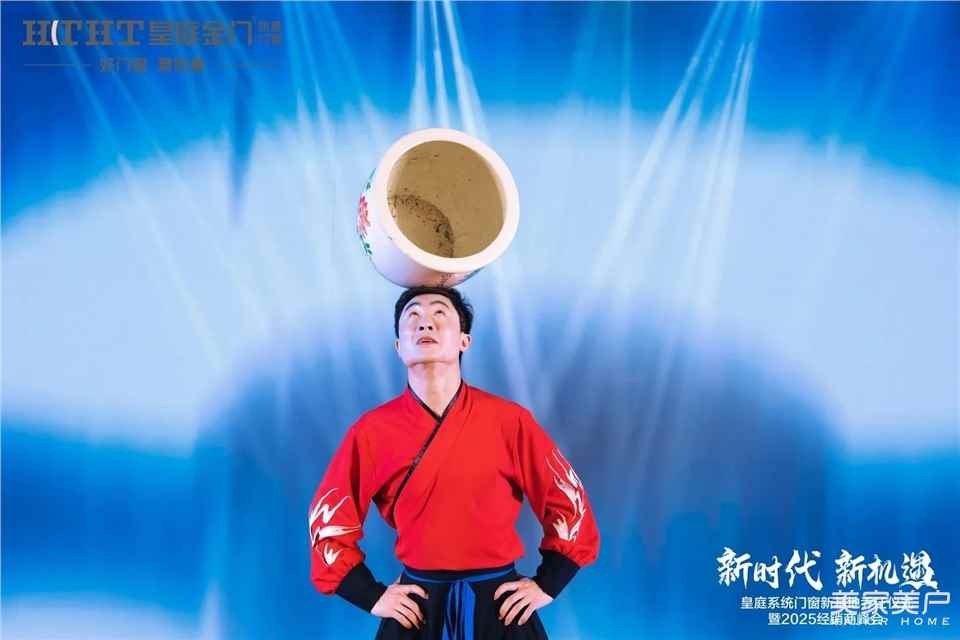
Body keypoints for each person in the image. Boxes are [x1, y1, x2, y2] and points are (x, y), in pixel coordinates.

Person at [308, 285, 600, 639]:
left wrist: (549, 582)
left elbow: (569, 501)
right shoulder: (371, 431)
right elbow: (328, 521)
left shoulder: (509, 420)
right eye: (413, 317)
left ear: (464, 340)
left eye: (439, 314)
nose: (425, 323)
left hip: (500, 609)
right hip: (417, 612)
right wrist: (370, 595)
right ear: (399, 346)